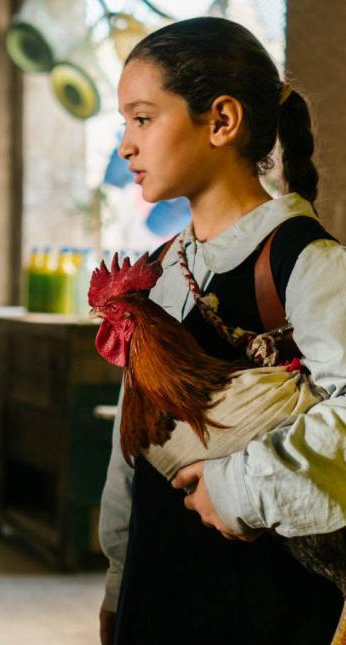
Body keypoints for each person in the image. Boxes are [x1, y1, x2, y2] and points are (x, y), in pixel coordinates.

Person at [98, 17, 346, 644]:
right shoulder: (158, 273)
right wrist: (118, 579)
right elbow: (131, 454)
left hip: (267, 606)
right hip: (158, 592)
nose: (126, 145)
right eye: (125, 122)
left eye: (144, 119)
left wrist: (238, 486)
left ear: (222, 120)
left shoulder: (305, 264)